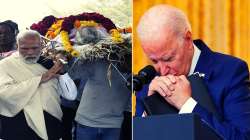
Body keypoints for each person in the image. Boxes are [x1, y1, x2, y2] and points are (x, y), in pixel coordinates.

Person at [135, 4, 250, 140]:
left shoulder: (231, 71)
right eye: (154, 61)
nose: (163, 71)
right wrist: (150, 110)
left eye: (169, 59)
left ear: (188, 40)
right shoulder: (147, 83)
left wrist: (187, 105)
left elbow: (242, 138)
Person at [68, 26, 131, 140]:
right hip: (87, 122)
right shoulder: (100, 61)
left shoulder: (136, 72)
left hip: (113, 124)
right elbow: (73, 73)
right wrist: (73, 55)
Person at [0, 30, 63, 140]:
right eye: (24, 48)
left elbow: (68, 93)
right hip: (19, 123)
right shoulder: (5, 65)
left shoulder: (50, 62)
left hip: (51, 119)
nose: (30, 52)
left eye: (34, 48)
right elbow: (4, 93)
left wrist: (63, 73)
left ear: (41, 45)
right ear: (17, 45)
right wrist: (40, 79)